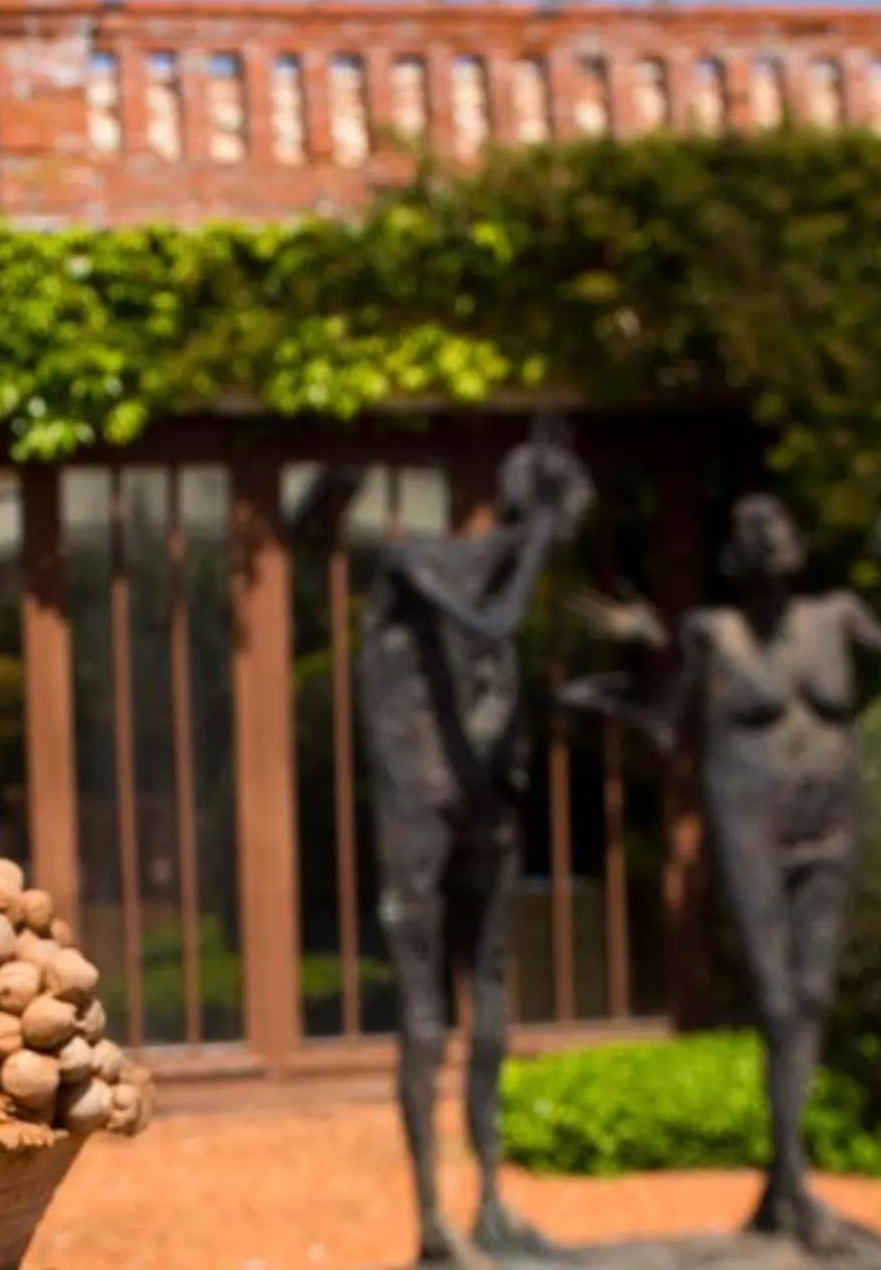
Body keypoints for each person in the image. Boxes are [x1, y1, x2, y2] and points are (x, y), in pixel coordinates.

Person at [569, 478, 881, 1256]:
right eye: (752, 528)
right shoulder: (710, 632)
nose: (768, 537)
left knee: (814, 993)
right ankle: (791, 1184)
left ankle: (788, 1188)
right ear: (735, 554)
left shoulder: (838, 616)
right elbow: (662, 725)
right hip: (749, 816)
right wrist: (634, 652)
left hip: (832, 816)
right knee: (778, 1001)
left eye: (778, 524)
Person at [348, 431, 592, 1264]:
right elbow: (497, 619)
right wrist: (533, 542)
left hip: (487, 806)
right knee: (424, 1015)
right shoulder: (418, 564)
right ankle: (431, 1221)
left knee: (490, 998)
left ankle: (490, 1199)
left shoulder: (496, 585)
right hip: (418, 810)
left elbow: (500, 663)